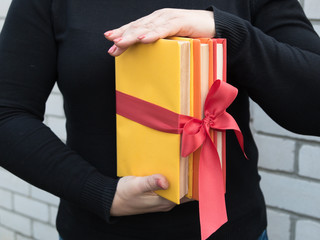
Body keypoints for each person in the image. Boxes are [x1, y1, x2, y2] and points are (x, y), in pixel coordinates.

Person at [0, 0, 319, 239]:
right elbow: (7, 112)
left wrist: (225, 31)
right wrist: (99, 192)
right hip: (95, 232)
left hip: (233, 230)